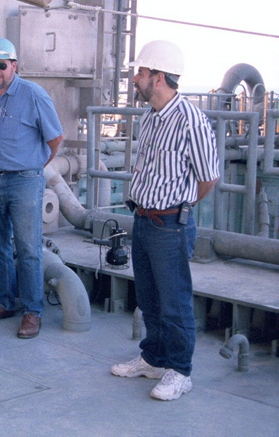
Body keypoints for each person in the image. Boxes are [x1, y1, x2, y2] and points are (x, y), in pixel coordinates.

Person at [111, 40, 219, 401]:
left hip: (170, 224)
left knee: (174, 301)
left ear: (158, 77)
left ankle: (180, 370)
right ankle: (154, 359)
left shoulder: (191, 120)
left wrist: (178, 209)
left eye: (140, 73)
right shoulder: (151, 117)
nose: (135, 79)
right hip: (143, 219)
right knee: (149, 298)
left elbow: (208, 177)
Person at [0, 37, 63, 339]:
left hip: (25, 180)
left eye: (2, 64)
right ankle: (2, 301)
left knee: (28, 248)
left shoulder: (34, 95)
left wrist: (33, 164)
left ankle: (32, 311)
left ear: (14, 65)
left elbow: (55, 140)